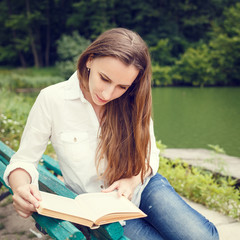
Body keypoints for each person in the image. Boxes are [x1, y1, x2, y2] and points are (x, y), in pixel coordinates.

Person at [3, 28, 219, 240]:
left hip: (144, 186)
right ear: (90, 59)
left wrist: (132, 181)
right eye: (104, 78)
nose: (107, 94)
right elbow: (24, 161)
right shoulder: (52, 99)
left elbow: (151, 154)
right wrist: (21, 188)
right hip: (100, 208)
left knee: (202, 236)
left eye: (122, 87)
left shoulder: (134, 100)